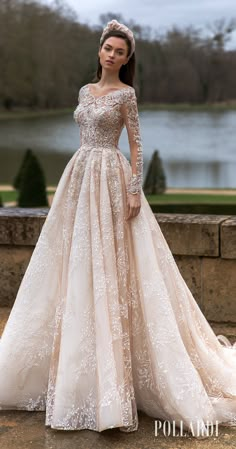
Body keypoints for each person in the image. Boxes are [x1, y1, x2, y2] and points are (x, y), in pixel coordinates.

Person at [0, 19, 236, 439]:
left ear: (127, 60)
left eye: (120, 52)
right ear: (99, 50)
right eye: (108, 48)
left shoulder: (126, 95)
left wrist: (132, 191)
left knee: (114, 264)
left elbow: (137, 144)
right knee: (73, 264)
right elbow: (84, 135)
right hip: (80, 176)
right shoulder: (83, 92)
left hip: (110, 176)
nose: (112, 55)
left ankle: (114, 380)